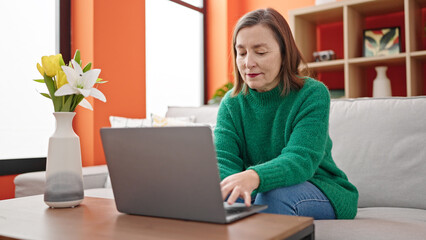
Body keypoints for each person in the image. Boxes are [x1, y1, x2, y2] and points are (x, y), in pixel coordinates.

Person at [214, 8, 358, 220]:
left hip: (321, 186)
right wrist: (234, 189)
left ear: (284, 53)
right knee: (224, 196)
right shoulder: (231, 103)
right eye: (241, 52)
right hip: (259, 190)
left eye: (260, 52)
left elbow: (301, 159)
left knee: (272, 197)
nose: (248, 63)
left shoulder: (312, 93)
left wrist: (254, 177)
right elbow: (223, 161)